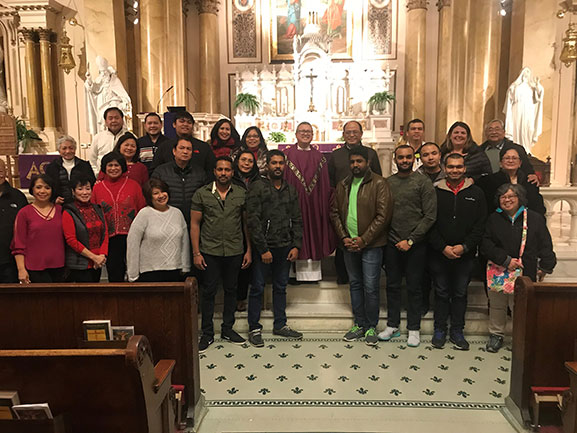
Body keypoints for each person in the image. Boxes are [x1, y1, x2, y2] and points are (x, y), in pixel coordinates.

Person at [481, 183, 556, 353]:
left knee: (522, 306)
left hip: (525, 270)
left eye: (511, 196)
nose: (507, 200)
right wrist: (506, 260)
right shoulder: (493, 218)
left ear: (519, 198)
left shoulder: (535, 218)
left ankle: (521, 337)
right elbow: (485, 244)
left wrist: (546, 266)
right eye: (503, 197)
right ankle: (496, 335)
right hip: (498, 270)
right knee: (497, 305)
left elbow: (545, 244)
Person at [330, 146, 392, 346]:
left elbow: (383, 216)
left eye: (359, 161)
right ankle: (359, 323)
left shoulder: (379, 183)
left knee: (371, 287)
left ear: (368, 162)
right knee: (355, 284)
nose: (355, 165)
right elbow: (335, 213)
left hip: (371, 245)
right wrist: (344, 237)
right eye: (352, 162)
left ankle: (371, 326)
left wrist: (364, 239)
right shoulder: (343, 184)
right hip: (349, 244)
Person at [191, 157, 252, 352]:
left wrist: (249, 250)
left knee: (231, 290)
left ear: (233, 172)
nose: (223, 173)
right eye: (220, 169)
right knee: (208, 291)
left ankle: (228, 329)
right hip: (210, 250)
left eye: (227, 170)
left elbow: (246, 225)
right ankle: (207, 333)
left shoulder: (241, 194)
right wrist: (196, 252)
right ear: (214, 171)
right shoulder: (202, 194)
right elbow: (194, 224)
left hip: (234, 250)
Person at [428, 153, 487, 351]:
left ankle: (457, 331)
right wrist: (442, 247)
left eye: (459, 167)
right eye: (451, 167)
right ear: (444, 168)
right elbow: (429, 222)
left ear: (464, 168)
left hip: (465, 255)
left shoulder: (476, 193)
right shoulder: (435, 192)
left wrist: (465, 246)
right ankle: (439, 330)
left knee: (460, 293)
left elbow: (480, 225)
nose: (455, 170)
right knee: (442, 292)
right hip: (439, 253)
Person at [379, 145, 436, 347]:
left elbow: (430, 216)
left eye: (408, 157)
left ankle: (414, 328)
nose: (404, 160)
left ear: (414, 159)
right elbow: (383, 213)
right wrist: (394, 239)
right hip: (393, 243)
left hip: (416, 245)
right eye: (401, 157)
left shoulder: (423, 182)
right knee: (392, 285)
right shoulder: (387, 183)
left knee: (414, 287)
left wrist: (411, 240)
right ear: (395, 160)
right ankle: (392, 325)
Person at [246, 150, 303, 347]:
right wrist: (263, 249)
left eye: (280, 163)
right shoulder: (258, 187)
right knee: (258, 288)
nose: (277, 167)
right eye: (274, 163)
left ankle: (280, 324)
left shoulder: (290, 189)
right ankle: (254, 327)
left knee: (281, 287)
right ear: (267, 165)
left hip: (284, 246)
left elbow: (296, 218)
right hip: (265, 247)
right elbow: (252, 220)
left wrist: (296, 245)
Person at [328, 121, 382, 285]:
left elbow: (378, 178)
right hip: (343, 202)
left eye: (355, 132)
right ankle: (343, 275)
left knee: (366, 239)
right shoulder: (335, 156)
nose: (352, 135)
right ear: (343, 134)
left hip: (367, 204)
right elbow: (330, 181)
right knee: (342, 239)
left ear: (361, 133)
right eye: (348, 132)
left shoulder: (371, 154)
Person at [283, 122, 336, 282]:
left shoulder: (319, 157)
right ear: (296, 134)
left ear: (313, 135)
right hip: (292, 203)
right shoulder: (287, 155)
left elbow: (325, 184)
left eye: (309, 132)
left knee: (311, 232)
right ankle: (291, 275)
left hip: (313, 205)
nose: (305, 134)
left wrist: (322, 204)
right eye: (302, 131)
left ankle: (310, 276)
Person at [92, 152, 145, 282]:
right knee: (115, 274)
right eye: (110, 165)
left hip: (133, 236)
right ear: (104, 167)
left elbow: (142, 209)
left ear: (122, 167)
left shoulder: (134, 185)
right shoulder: (97, 188)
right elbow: (93, 212)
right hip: (109, 239)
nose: (113, 168)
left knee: (136, 273)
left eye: (117, 165)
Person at [127, 178, 190, 283]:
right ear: (149, 197)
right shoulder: (144, 214)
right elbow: (132, 245)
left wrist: (186, 266)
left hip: (175, 271)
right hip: (149, 273)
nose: (161, 196)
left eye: (163, 191)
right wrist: (132, 274)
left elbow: (185, 242)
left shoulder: (177, 213)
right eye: (156, 193)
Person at [12, 174, 65, 283]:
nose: (43, 191)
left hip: (60, 267)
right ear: (32, 189)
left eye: (47, 187)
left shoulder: (61, 210)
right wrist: (21, 269)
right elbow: (18, 243)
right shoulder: (24, 213)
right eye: (38, 187)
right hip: (35, 268)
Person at [62, 173, 108, 283]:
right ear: (73, 191)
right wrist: (93, 257)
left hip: (98, 263)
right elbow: (71, 240)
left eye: (88, 188)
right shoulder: (68, 211)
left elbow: (105, 233)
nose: (84, 192)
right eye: (80, 189)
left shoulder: (97, 208)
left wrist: (102, 255)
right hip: (80, 265)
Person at [151, 138, 207, 226]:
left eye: (189, 149)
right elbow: (153, 196)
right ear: (174, 151)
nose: (185, 151)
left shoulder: (200, 173)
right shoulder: (161, 172)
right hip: (167, 220)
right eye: (181, 148)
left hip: (194, 221)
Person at [477, 147, 546, 216]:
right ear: (500, 163)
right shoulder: (489, 181)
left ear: (520, 163)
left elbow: (537, 207)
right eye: (507, 158)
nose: (510, 161)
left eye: (514, 158)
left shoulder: (529, 181)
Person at [232, 149, 260, 311]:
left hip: (255, 225)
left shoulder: (259, 179)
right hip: (235, 225)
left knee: (253, 264)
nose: (246, 163)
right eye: (243, 160)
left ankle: (249, 297)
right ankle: (238, 297)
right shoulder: (231, 178)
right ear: (237, 162)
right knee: (240, 265)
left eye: (250, 161)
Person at [150, 111, 216, 178]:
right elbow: (155, 171)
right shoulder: (164, 146)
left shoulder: (203, 147)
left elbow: (211, 171)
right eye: (182, 121)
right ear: (174, 124)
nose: (185, 124)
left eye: (189, 122)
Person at [45, 135, 95, 205]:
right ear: (59, 150)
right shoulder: (52, 167)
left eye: (71, 148)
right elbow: (47, 186)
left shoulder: (84, 165)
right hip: (60, 204)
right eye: (64, 148)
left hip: (82, 204)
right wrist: (54, 199)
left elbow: (92, 184)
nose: (68, 151)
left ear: (75, 149)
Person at [0, 159, 28, 283]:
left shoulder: (18, 196)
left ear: (6, 172)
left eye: (1, 171)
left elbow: (27, 227)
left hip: (10, 261)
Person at [88, 107, 129, 175]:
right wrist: (97, 174)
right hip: (102, 176)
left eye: (116, 118)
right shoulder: (98, 137)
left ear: (122, 120)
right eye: (110, 118)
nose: (113, 121)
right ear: (106, 121)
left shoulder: (129, 136)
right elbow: (92, 159)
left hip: (124, 175)